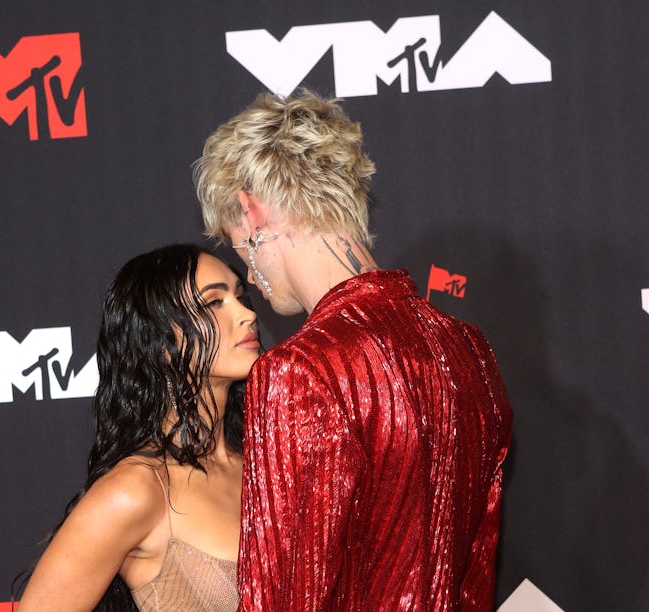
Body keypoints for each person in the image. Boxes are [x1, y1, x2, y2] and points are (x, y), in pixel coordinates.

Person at [194, 91, 513, 611]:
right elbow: (476, 570)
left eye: (236, 244)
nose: (250, 275)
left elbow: (281, 597)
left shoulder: (299, 372)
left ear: (250, 212)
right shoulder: (468, 349)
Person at [16, 244, 259, 611]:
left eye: (241, 297)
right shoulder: (134, 490)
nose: (246, 314)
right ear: (161, 341)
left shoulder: (266, 464)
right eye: (214, 303)